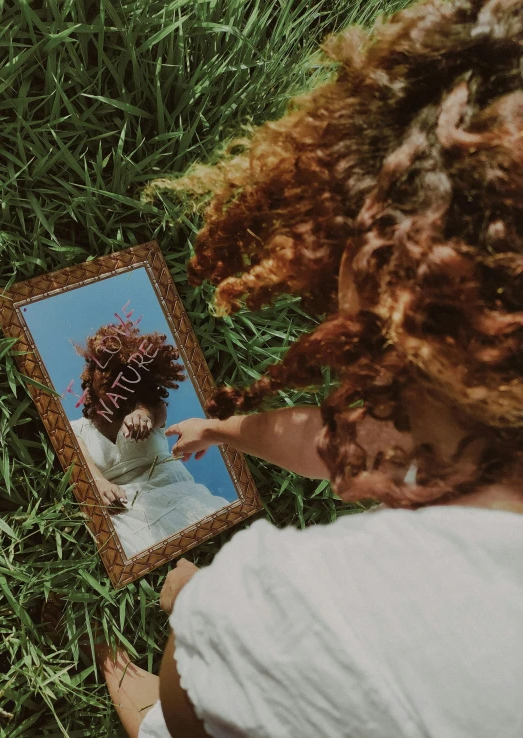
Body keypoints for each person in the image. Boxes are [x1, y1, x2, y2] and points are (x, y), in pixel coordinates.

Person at [89, 0, 523, 736]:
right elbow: (340, 442)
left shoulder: (306, 612)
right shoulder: (472, 446)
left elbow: (191, 703)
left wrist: (195, 605)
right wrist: (229, 429)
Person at [70, 324, 227, 558]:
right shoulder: (74, 429)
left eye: (118, 370)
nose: (108, 375)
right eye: (102, 367)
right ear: (90, 373)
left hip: (182, 500)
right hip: (123, 517)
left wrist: (141, 416)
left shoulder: (151, 406)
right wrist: (98, 483)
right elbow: (79, 459)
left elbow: (150, 411)